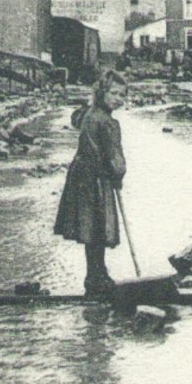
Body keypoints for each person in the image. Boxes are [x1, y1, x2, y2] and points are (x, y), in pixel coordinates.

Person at [54, 72, 128, 297]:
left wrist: (91, 102)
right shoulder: (108, 122)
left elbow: (75, 117)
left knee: (91, 228)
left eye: (122, 95)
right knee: (99, 227)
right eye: (113, 93)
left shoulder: (88, 113)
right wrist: (118, 175)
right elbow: (115, 158)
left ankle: (96, 275)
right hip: (97, 179)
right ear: (102, 92)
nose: (118, 98)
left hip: (80, 176)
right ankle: (96, 278)